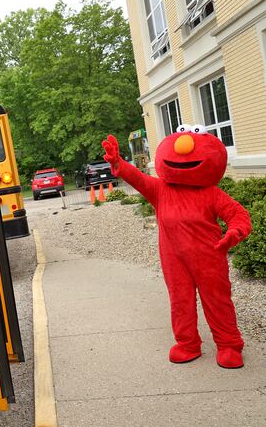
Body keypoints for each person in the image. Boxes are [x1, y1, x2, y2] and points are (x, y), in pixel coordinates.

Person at [102, 124, 251, 369]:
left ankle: (229, 345)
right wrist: (119, 163)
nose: (183, 149)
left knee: (217, 301)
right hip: (174, 260)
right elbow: (138, 179)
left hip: (209, 257)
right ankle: (188, 343)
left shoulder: (211, 193)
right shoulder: (160, 190)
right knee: (180, 301)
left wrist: (235, 231)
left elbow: (238, 214)